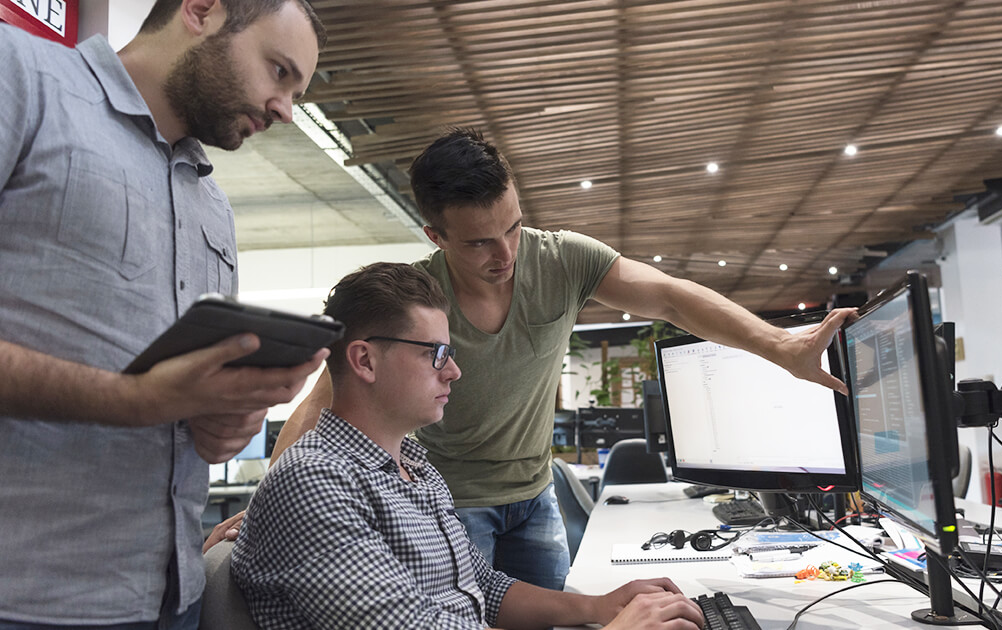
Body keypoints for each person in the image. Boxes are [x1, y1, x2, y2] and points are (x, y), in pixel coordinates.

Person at [265, 128, 857, 591]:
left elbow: (673, 297)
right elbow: (326, 402)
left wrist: (780, 347)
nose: (505, 254)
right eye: (479, 242)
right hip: (449, 505)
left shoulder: (563, 260)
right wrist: (270, 503)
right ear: (435, 236)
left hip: (533, 495)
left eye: (514, 228)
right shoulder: (416, 301)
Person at [0, 1, 327, 627]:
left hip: (169, 595)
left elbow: (188, 414)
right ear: (201, 10)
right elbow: (143, 395)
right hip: (29, 595)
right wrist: (135, 400)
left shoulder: (213, 206)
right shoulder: (26, 80)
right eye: (278, 70)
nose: (286, 108)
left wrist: (224, 420)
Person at [231, 262, 704, 629]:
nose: (453, 371)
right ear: (365, 360)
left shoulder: (415, 467)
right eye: (435, 353)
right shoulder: (316, 481)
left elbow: (483, 585)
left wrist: (599, 605)